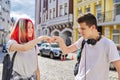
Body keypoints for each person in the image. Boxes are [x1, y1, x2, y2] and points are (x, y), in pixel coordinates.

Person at [51, 13, 120, 80]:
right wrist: (60, 41)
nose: (80, 31)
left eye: (83, 29)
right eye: (79, 29)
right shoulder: (82, 40)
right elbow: (66, 50)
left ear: (93, 27)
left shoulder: (108, 44)